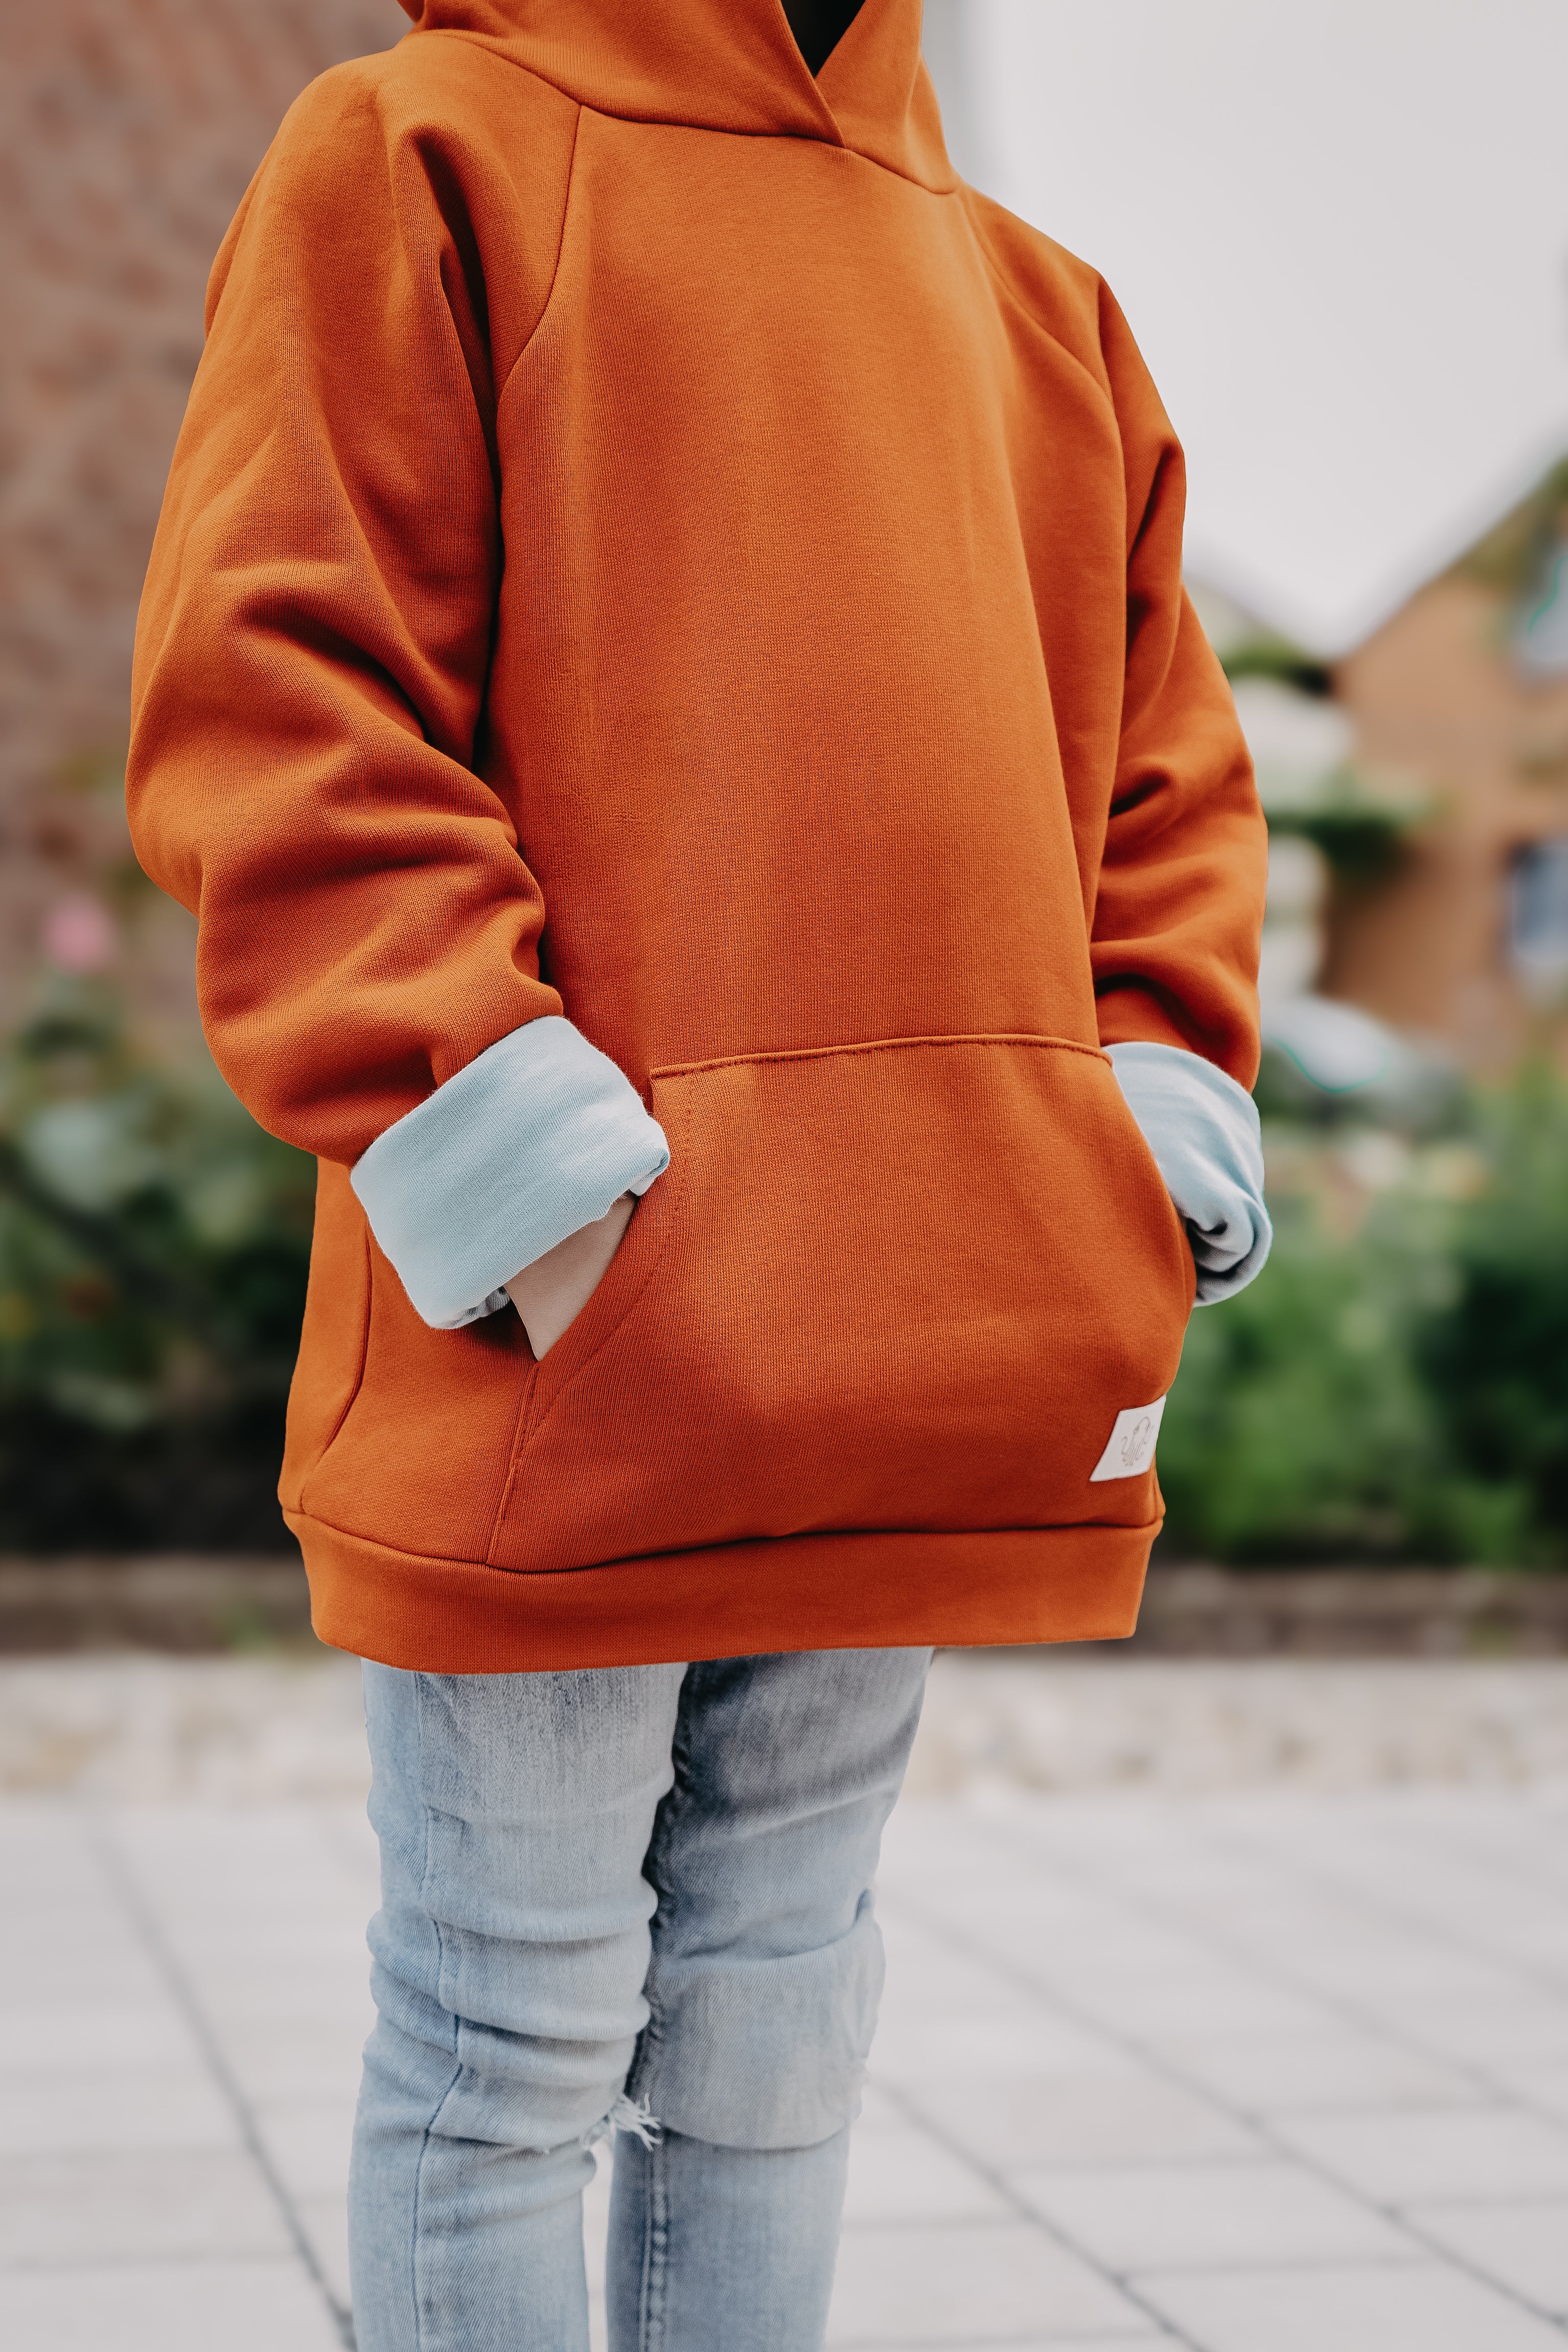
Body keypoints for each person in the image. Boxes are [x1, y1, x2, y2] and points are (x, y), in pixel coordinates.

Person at [127, 1, 1271, 2343]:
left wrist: (1124, 1161)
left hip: (932, 1325)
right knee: (504, 2039)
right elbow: (282, 683)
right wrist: (549, 1209)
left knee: (771, 2038)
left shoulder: (1036, 300)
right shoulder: (417, 152)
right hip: (559, 1344)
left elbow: (1168, 799)